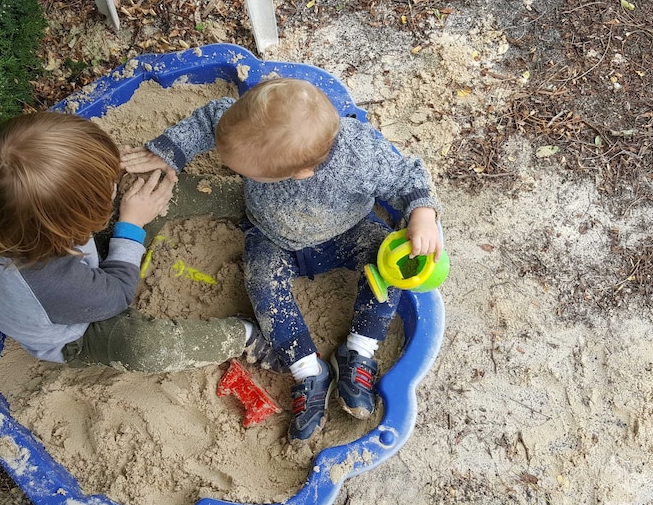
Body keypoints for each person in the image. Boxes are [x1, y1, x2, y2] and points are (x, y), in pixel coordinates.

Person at [122, 77, 443, 442]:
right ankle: (309, 371)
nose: (240, 175)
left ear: (301, 173)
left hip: (346, 233)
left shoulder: (359, 156)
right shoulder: (252, 125)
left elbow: (408, 175)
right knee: (261, 282)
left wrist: (423, 215)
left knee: (388, 265)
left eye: (247, 174)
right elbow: (213, 119)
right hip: (271, 236)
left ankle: (360, 350)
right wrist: (169, 150)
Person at [0, 111, 281, 374]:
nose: (116, 183)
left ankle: (261, 203)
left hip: (60, 265)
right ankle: (241, 336)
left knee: (150, 191)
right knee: (141, 346)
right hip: (76, 331)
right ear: (71, 227)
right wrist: (130, 224)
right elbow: (116, 296)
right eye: (108, 186)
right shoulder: (51, 281)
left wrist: (101, 170)